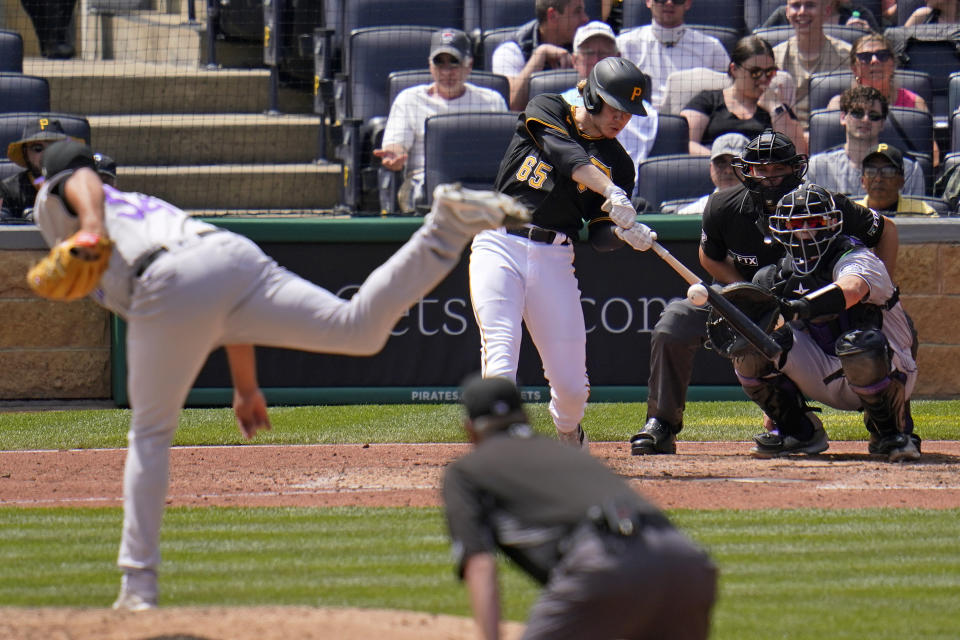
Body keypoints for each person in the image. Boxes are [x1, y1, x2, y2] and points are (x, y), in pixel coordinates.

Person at [30, 139, 531, 611]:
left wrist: (90, 226)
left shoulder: (57, 196)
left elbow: (77, 176)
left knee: (150, 434)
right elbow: (222, 313)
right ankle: (446, 225)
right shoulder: (131, 206)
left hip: (168, 277)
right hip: (226, 255)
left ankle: (138, 589)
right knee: (356, 329)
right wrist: (245, 388)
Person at [629, 129, 898, 455]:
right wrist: (745, 294)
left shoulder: (822, 203)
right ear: (747, 171)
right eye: (762, 169)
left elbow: (886, 230)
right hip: (755, 300)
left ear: (796, 168)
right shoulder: (723, 206)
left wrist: (876, 287)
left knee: (864, 347)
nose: (770, 178)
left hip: (814, 304)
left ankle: (887, 428)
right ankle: (661, 424)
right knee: (676, 321)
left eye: (779, 168)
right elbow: (709, 256)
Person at [470, 56, 657, 450]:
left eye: (629, 113)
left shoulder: (619, 165)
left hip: (554, 256)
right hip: (498, 243)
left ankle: (569, 433)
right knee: (501, 357)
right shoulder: (548, 107)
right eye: (615, 107)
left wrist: (624, 231)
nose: (622, 119)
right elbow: (565, 154)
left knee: (572, 389)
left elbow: (600, 237)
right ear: (591, 97)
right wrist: (609, 192)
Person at [443, 374, 717, 640]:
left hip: (603, 563)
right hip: (686, 562)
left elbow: (480, 565)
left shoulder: (466, 471)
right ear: (526, 417)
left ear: (469, 428)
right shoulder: (565, 453)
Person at [719, 183, 920, 462]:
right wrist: (772, 406)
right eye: (794, 224)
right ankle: (797, 430)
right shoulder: (774, 276)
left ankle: (891, 433)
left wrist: (794, 309)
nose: (804, 233)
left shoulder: (858, 256)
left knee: (858, 343)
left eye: (813, 223)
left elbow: (851, 289)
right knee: (753, 343)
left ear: (832, 224)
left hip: (888, 365)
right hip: (823, 369)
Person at [374, 29, 508, 213]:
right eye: (439, 63)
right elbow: (396, 147)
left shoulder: (492, 101)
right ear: (430, 66)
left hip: (480, 187)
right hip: (425, 187)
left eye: (454, 63)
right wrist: (394, 156)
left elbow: (505, 154)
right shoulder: (409, 99)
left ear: (469, 66)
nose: (447, 72)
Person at [560, 21, 659, 188]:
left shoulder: (645, 113)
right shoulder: (558, 105)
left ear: (618, 57)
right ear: (575, 60)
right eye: (589, 53)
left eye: (605, 53)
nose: (597, 60)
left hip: (629, 197)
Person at [682, 35, 807, 156]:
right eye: (755, 72)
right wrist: (724, 163)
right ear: (734, 69)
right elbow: (686, 143)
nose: (763, 78)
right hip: (717, 172)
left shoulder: (779, 109)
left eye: (769, 72)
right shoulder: (708, 100)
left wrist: (775, 108)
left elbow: (798, 154)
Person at [807, 86, 925, 196]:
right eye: (857, 113)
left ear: (882, 123)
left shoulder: (908, 169)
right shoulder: (818, 167)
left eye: (873, 115)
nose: (865, 119)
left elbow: (914, 217)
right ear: (843, 117)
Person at [616, 0, 730, 112]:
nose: (669, 3)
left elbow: (729, 91)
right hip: (636, 118)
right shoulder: (625, 44)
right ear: (649, 1)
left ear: (687, 3)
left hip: (690, 120)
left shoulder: (711, 47)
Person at [491, 0, 589, 110]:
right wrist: (540, 54)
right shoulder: (509, 51)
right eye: (577, 12)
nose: (585, 18)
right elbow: (512, 106)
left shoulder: (589, 43)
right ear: (552, 16)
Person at [773, 0, 852, 130]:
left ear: (826, 11)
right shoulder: (774, 58)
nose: (802, 12)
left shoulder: (848, 56)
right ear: (787, 12)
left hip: (833, 134)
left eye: (810, 5)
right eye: (796, 6)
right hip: (786, 137)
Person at [826, 34, 930, 112]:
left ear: (893, 64)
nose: (875, 60)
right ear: (854, 68)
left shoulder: (915, 104)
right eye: (865, 56)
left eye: (882, 55)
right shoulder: (839, 105)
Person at [0, 118, 71, 222]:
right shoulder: (7, 189)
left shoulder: (76, 184)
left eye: (54, 147)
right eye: (38, 149)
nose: (47, 154)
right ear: (25, 153)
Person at [676, 133, 750, 214]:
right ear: (711, 167)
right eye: (721, 163)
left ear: (749, 169)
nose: (728, 170)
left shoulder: (761, 212)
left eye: (736, 163)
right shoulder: (692, 213)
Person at [856, 143, 939, 215]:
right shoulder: (850, 214)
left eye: (888, 171)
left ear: (901, 181)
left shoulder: (923, 213)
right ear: (863, 181)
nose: (878, 179)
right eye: (871, 171)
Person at [761, 0, 880, 31]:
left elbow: (886, 53)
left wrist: (867, 35)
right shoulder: (784, 14)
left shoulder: (860, 15)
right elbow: (755, 47)